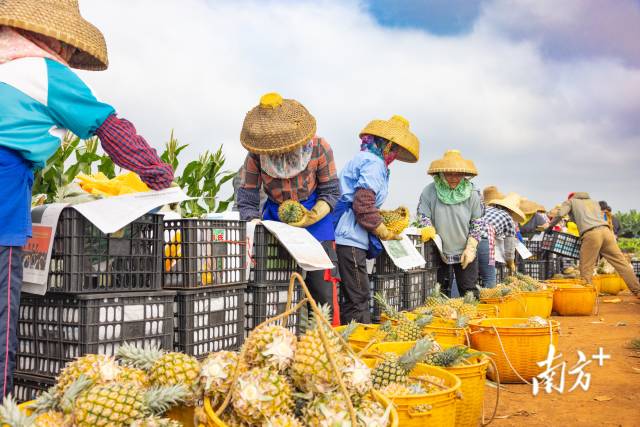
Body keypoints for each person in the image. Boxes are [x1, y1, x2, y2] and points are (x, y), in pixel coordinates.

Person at [0, 0, 174, 396]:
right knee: (1, 315)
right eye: (65, 46)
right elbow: (110, 129)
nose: (66, 55)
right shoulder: (43, 70)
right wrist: (158, 174)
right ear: (50, 38)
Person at [236, 92, 341, 320]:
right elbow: (247, 195)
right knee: (277, 288)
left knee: (321, 289)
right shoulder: (256, 155)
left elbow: (332, 191)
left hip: (315, 217)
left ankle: (328, 341)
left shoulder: (319, 148)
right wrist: (253, 221)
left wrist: (313, 215)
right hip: (276, 219)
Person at [333, 115, 419, 324]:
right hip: (349, 237)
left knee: (353, 293)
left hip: (347, 234)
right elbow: (363, 204)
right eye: (395, 149)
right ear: (387, 145)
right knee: (358, 296)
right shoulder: (374, 163)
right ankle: (358, 343)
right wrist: (383, 230)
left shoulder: (364, 158)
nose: (395, 154)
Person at [417, 150, 483, 297]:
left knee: (469, 291)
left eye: (458, 174)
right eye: (449, 174)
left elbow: (478, 222)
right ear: (441, 173)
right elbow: (422, 215)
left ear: (464, 175)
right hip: (437, 250)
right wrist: (428, 228)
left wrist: (471, 248)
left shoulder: (473, 193)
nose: (454, 178)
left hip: (465, 250)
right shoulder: (429, 191)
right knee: (439, 292)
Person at [547, 193, 640, 297]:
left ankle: (586, 296)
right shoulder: (594, 203)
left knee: (586, 266)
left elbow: (560, 214)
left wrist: (550, 226)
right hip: (607, 232)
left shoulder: (571, 201)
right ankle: (637, 290)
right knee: (622, 263)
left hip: (592, 234)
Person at [478, 191, 524, 287]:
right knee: (489, 277)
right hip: (484, 241)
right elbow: (509, 245)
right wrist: (510, 262)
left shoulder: (486, 208)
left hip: (468, 239)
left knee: (467, 276)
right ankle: (490, 300)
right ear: (512, 210)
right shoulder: (508, 217)